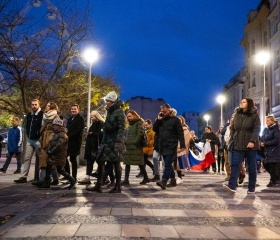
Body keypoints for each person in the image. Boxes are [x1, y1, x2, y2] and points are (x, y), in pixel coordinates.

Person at [86, 91, 126, 193]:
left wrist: (118, 142)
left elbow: (122, 128)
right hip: (107, 141)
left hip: (115, 141)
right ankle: (99, 185)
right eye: (106, 100)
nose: (106, 102)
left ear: (112, 101)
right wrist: (103, 142)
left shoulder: (119, 112)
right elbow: (107, 128)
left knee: (116, 163)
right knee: (100, 161)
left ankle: (118, 187)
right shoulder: (110, 111)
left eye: (107, 100)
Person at [223, 98, 261, 194]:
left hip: (250, 145)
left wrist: (252, 140)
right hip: (238, 144)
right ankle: (232, 185)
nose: (241, 103)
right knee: (235, 164)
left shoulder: (254, 115)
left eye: (244, 102)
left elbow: (257, 129)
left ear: (249, 104)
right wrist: (233, 139)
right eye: (241, 101)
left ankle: (251, 187)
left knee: (251, 167)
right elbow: (233, 129)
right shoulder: (237, 114)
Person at [153, 103, 185, 190]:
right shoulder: (161, 120)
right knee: (168, 165)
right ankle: (173, 180)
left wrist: (182, 144)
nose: (163, 112)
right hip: (162, 146)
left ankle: (164, 181)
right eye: (162, 111)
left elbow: (180, 132)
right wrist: (158, 119)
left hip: (171, 145)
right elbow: (154, 129)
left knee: (167, 164)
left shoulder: (175, 120)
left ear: (169, 110)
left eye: (164, 111)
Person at [37, 118, 76, 189]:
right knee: (49, 166)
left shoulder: (62, 135)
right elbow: (53, 143)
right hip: (55, 154)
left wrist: (51, 151)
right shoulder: (57, 133)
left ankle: (72, 180)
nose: (53, 127)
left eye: (55, 125)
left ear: (59, 126)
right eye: (53, 125)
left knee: (60, 170)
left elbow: (58, 146)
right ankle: (47, 182)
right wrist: (49, 149)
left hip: (59, 155)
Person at [14, 99, 43, 183]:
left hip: (38, 140)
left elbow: (43, 126)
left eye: (35, 104)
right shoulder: (30, 114)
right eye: (32, 104)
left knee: (42, 159)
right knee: (27, 158)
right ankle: (23, 177)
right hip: (30, 140)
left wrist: (39, 135)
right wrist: (27, 134)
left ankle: (43, 178)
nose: (33, 106)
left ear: (38, 105)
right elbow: (27, 126)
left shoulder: (42, 114)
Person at [121, 110, 150, 186]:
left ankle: (146, 177)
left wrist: (134, 142)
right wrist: (127, 141)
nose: (129, 118)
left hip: (136, 146)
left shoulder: (139, 122)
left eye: (130, 116)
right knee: (127, 163)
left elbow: (140, 134)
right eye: (127, 117)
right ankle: (126, 180)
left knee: (140, 162)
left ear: (134, 115)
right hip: (130, 146)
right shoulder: (131, 124)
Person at [78, 111, 104, 185]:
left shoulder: (101, 124)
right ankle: (87, 177)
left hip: (95, 146)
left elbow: (101, 134)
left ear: (97, 116)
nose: (91, 118)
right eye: (91, 116)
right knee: (89, 162)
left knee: (100, 163)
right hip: (91, 146)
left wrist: (92, 134)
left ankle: (104, 178)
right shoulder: (94, 124)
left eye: (93, 116)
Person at [37, 102, 60, 184]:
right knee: (47, 159)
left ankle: (42, 179)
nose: (46, 107)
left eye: (48, 106)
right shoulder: (45, 115)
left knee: (48, 159)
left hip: (51, 139)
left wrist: (52, 140)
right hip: (44, 138)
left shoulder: (56, 116)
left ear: (52, 107)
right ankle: (55, 179)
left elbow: (58, 129)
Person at [64, 104, 85, 182]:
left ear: (78, 110)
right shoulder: (70, 119)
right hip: (68, 142)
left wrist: (68, 136)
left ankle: (74, 177)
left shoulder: (80, 119)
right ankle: (68, 175)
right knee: (64, 157)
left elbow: (78, 131)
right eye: (72, 109)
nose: (73, 110)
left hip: (75, 142)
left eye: (75, 109)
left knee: (73, 159)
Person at [261, 115, 280, 187]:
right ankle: (275, 179)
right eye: (266, 121)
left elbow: (276, 140)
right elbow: (262, 137)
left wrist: (265, 143)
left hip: (274, 150)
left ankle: (273, 180)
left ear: (272, 121)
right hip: (267, 150)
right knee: (266, 164)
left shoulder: (276, 129)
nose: (266, 122)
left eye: (268, 121)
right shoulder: (266, 130)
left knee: (272, 166)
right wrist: (261, 142)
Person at [174, 116, 191, 185]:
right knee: (173, 164)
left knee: (179, 164)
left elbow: (186, 140)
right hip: (173, 148)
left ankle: (179, 177)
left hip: (180, 149)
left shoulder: (185, 130)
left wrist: (180, 148)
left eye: (180, 120)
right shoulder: (174, 129)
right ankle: (174, 177)